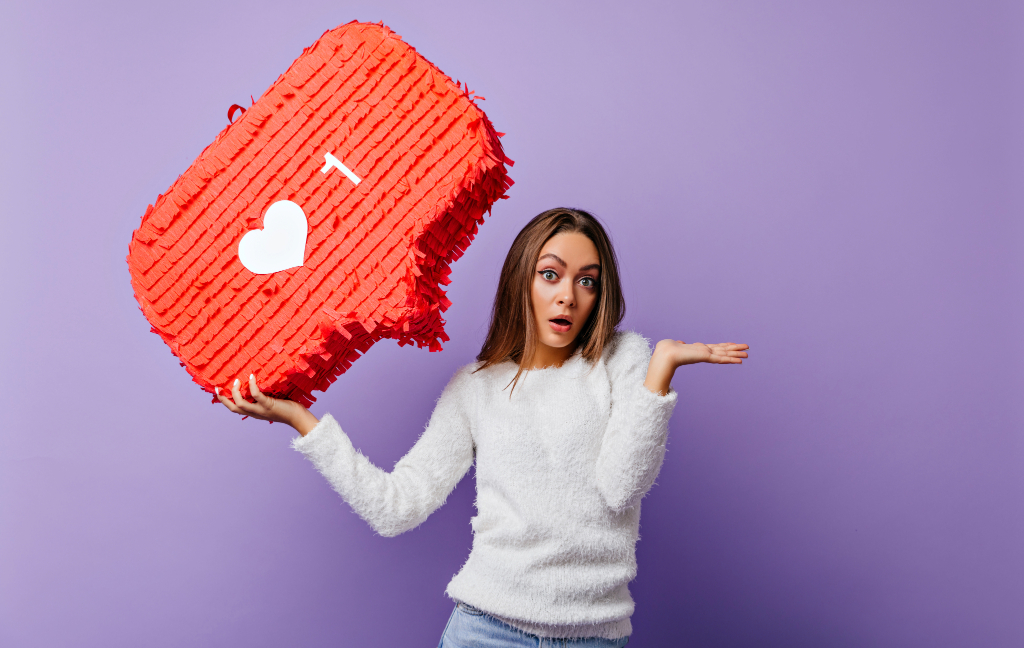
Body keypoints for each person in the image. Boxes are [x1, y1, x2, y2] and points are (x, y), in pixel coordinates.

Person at [218, 207, 749, 647]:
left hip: (595, 636)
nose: (568, 294)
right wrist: (301, 420)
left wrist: (661, 372)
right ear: (522, 279)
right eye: (551, 274)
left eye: (587, 281)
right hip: (487, 631)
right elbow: (397, 508)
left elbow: (620, 486)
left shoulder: (623, 360)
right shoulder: (475, 387)